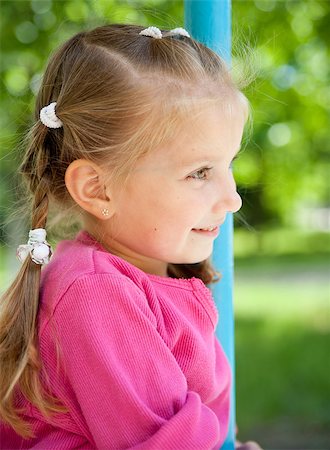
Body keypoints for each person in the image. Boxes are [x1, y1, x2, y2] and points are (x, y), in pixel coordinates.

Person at [0, 24, 262, 450]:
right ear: (98, 189)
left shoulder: (138, 271)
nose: (232, 199)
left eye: (228, 163)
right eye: (199, 172)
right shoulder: (96, 292)